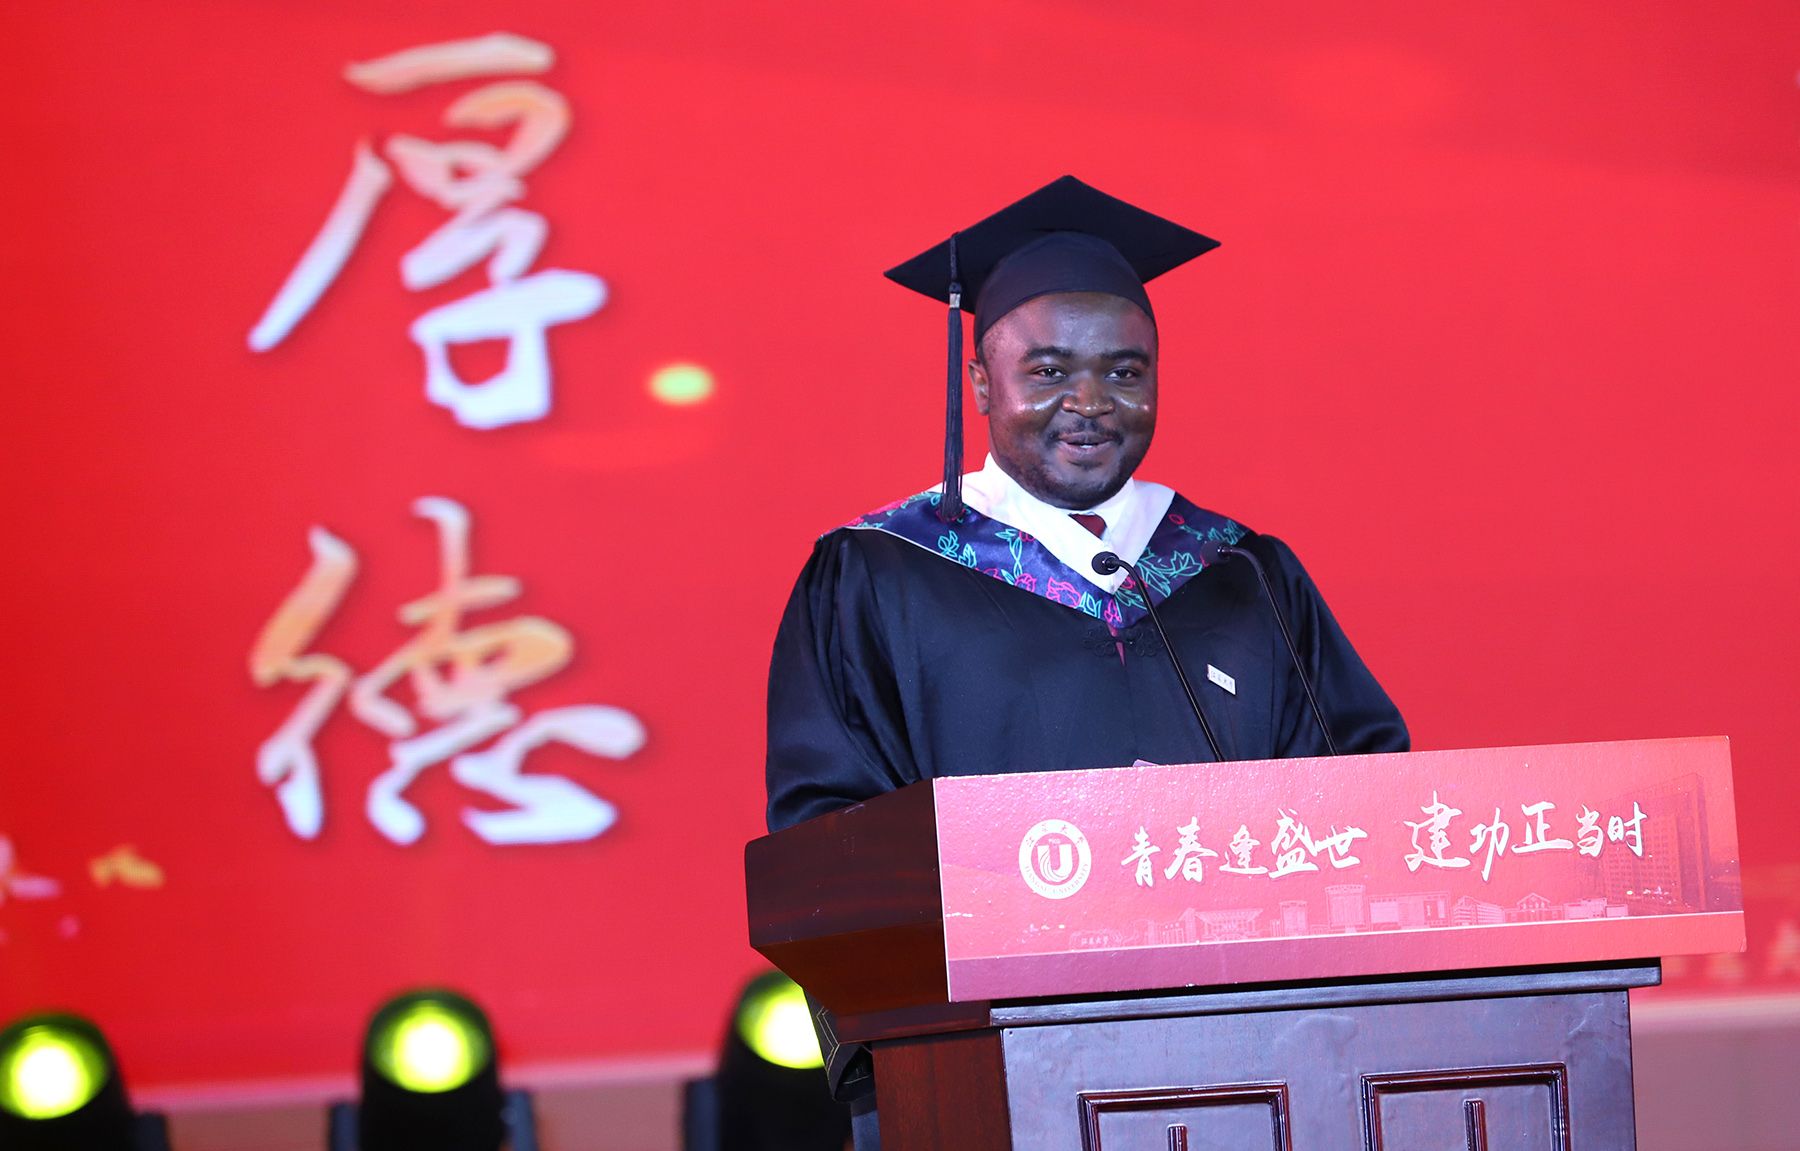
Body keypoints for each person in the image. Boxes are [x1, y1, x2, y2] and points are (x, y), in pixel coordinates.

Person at [762, 176, 1408, 1144]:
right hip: (986, 1064)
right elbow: (827, 836)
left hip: (1250, 1054)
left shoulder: (1239, 570)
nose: (1092, 403)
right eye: (1050, 369)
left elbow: (1363, 790)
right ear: (982, 382)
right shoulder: (876, 573)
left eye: (1126, 370)